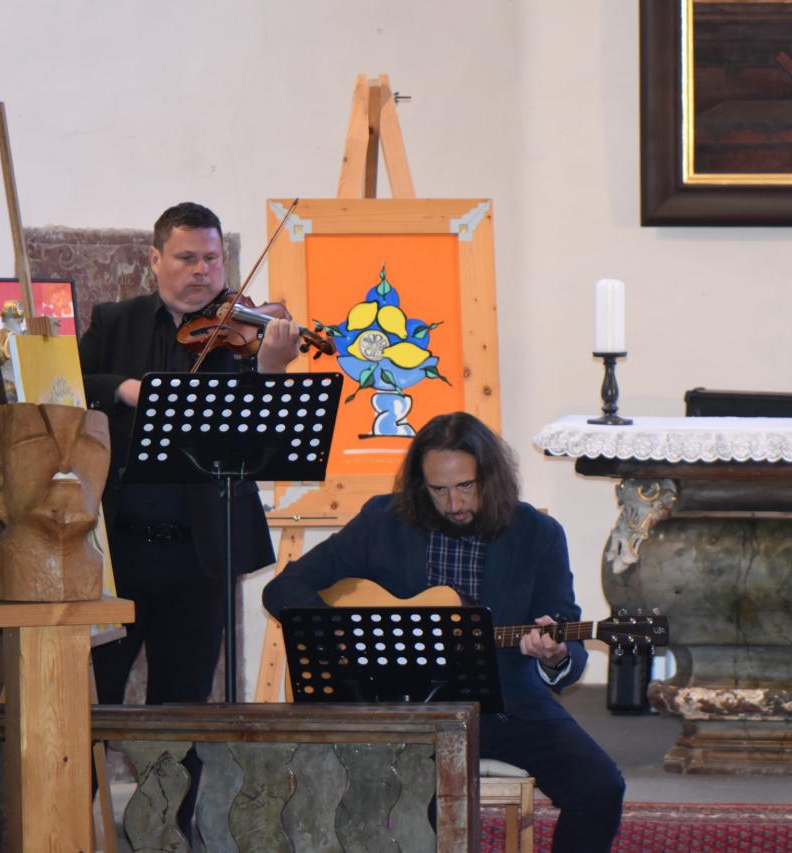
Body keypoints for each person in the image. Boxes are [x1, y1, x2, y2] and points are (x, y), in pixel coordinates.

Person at [262, 411, 626, 852]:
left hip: (506, 704)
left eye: (465, 486)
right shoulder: (384, 521)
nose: (454, 503)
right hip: (402, 708)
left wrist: (555, 656)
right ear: (421, 485)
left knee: (600, 788)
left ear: (490, 477)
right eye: (439, 490)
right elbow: (283, 588)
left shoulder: (538, 534)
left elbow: (568, 640)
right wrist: (349, 637)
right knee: (419, 805)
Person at [80, 201, 300, 707]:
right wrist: (126, 389)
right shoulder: (114, 322)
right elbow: (65, 381)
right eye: (187, 258)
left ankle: (176, 766)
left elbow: (264, 441)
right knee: (95, 699)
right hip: (117, 552)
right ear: (155, 259)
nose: (203, 270)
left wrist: (271, 370)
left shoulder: (245, 333)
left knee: (184, 706)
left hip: (201, 555)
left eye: (212, 258)